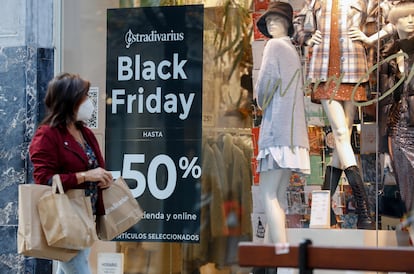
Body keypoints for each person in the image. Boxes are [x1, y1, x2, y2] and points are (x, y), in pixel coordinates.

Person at [294, 0, 374, 229]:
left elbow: (384, 15)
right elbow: (298, 22)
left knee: (344, 139)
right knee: (340, 133)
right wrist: (307, 39)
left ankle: (323, 208)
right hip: (324, 70)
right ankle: (363, 209)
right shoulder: (315, 1)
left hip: (354, 68)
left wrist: (369, 38)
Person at [29, 73, 114, 273]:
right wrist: (85, 176)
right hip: (65, 218)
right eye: (84, 97)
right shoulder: (47, 135)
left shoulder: (85, 133)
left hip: (87, 216)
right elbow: (44, 179)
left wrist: (103, 178)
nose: (89, 102)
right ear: (70, 101)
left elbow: (93, 166)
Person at [255, 1, 310, 244]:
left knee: (268, 195)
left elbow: (264, 89)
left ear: (288, 23)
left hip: (276, 133)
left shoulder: (274, 46)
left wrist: (258, 100)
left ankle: (280, 256)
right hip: (293, 136)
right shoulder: (292, 50)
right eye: (268, 21)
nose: (271, 23)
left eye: (277, 19)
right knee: (278, 196)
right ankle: (269, 262)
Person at [382, 2, 414, 215]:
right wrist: (384, 146)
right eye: (405, 16)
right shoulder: (388, 56)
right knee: (408, 192)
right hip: (398, 131)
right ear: (394, 23)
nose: (411, 19)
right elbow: (384, 103)